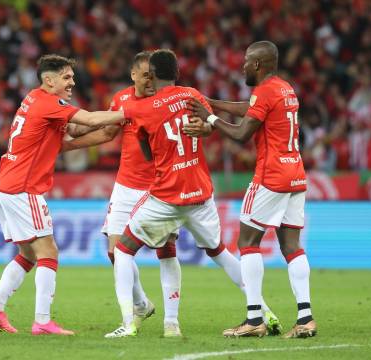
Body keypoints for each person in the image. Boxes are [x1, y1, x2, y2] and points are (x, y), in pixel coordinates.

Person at [104, 49, 278, 339]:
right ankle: (263, 312)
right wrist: (203, 131)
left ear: (153, 74)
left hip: (167, 197)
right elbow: (208, 126)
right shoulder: (192, 95)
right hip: (201, 194)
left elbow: (147, 153)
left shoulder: (144, 109)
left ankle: (130, 322)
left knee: (122, 250)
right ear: (177, 73)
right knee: (220, 252)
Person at [0, 54, 128, 336]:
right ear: (49, 80)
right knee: (48, 251)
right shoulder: (49, 103)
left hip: (6, 185)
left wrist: (107, 132)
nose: (72, 82)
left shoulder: (34, 100)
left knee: (27, 254)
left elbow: (71, 135)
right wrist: (133, 112)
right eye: (66, 77)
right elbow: (90, 118)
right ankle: (43, 321)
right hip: (23, 188)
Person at [185, 40, 316, 338]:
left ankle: (254, 319)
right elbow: (254, 109)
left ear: (257, 64)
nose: (242, 65)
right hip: (296, 173)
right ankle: (306, 318)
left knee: (247, 241)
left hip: (271, 175)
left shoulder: (267, 90)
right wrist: (214, 103)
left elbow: (243, 133)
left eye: (246, 61)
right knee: (292, 247)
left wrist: (211, 118)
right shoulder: (284, 88)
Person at [62, 51, 182, 337]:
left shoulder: (167, 100)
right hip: (127, 185)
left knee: (165, 250)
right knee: (115, 252)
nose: (150, 81)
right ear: (133, 75)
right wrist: (66, 146)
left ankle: (172, 321)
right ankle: (139, 306)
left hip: (160, 186)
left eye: (153, 76)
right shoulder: (121, 100)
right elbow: (105, 134)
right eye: (145, 76)